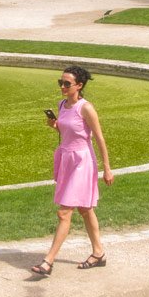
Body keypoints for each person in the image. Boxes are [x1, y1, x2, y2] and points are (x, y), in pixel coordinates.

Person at [31, 66, 114, 276]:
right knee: (85, 209)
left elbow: (100, 138)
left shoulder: (86, 108)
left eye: (67, 83)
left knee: (64, 211)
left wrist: (107, 168)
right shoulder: (62, 104)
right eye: (60, 82)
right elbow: (68, 131)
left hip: (82, 161)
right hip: (67, 159)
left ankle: (48, 262)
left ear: (79, 85)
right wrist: (55, 125)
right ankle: (99, 253)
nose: (62, 86)